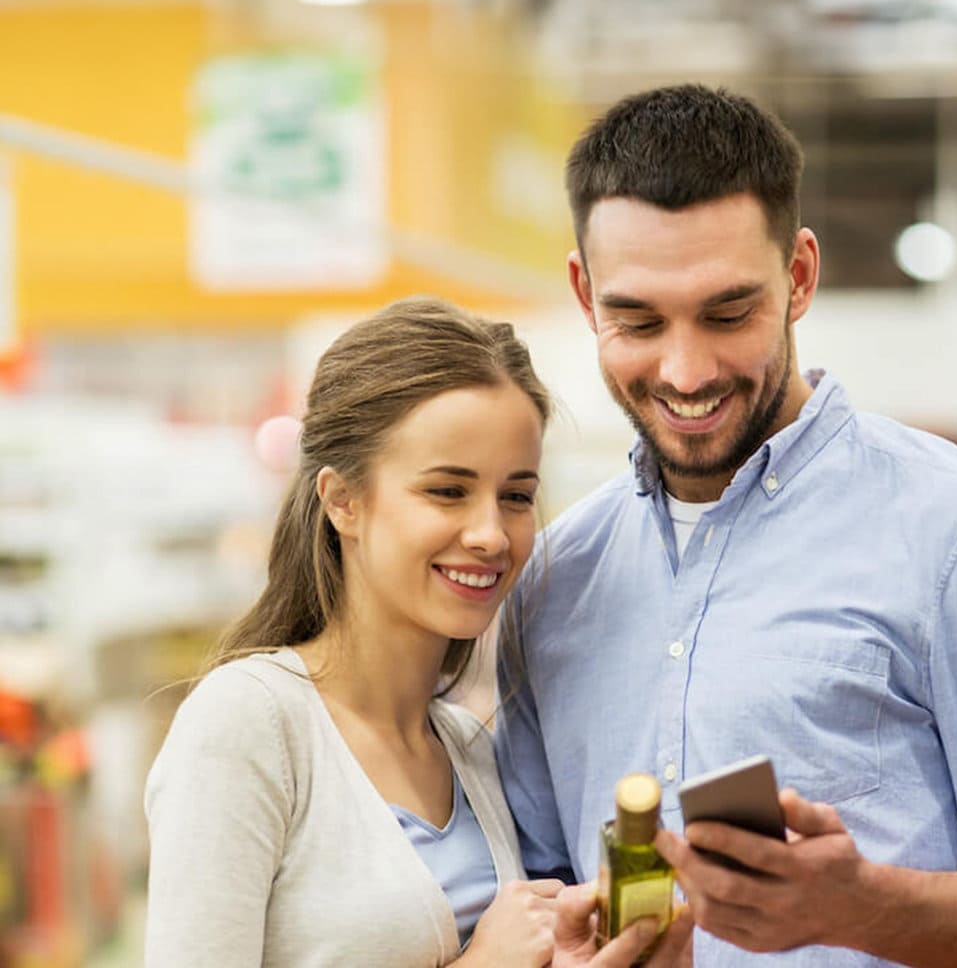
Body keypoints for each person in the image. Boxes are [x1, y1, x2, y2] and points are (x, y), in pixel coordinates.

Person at [494, 85, 957, 967]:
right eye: (637, 320)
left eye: (729, 314)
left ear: (799, 275)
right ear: (583, 294)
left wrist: (870, 907)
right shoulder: (552, 576)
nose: (685, 371)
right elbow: (546, 880)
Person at [144, 296, 693, 968]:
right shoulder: (248, 724)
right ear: (342, 501)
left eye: (515, 496)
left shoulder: (470, 750)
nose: (490, 534)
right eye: (446, 491)